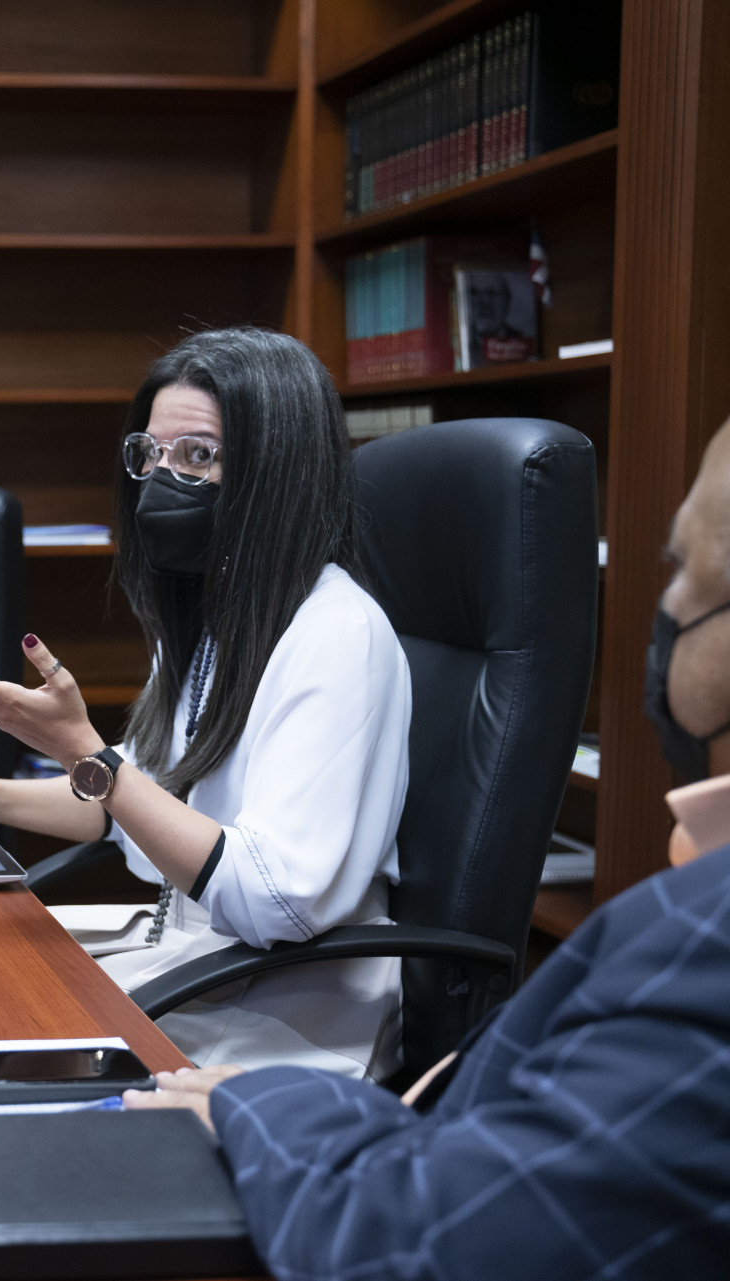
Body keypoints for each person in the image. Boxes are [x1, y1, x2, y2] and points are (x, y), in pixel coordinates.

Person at [120, 415, 730, 1279]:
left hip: (309, 1057)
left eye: (683, 572)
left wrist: (257, 1103)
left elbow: (441, 1239)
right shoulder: (692, 902)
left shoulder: (704, 941)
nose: (663, 609)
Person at [0, 327, 413, 1077]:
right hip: (198, 959)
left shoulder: (339, 634)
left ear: (277, 472)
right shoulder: (215, 618)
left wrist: (84, 751)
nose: (162, 479)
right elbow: (131, 804)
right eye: (151, 454)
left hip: (286, 1010)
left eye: (198, 455)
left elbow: (275, 901)